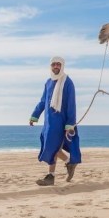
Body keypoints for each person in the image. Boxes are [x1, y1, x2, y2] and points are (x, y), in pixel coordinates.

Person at [29, 56, 81, 186]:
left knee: (52, 148)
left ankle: (51, 176)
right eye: (54, 64)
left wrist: (70, 124)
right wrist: (34, 115)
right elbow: (43, 101)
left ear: (62, 66)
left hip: (61, 122)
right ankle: (68, 163)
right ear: (51, 66)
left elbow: (71, 104)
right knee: (53, 148)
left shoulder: (68, 82)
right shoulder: (48, 82)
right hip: (49, 122)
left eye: (58, 64)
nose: (56, 66)